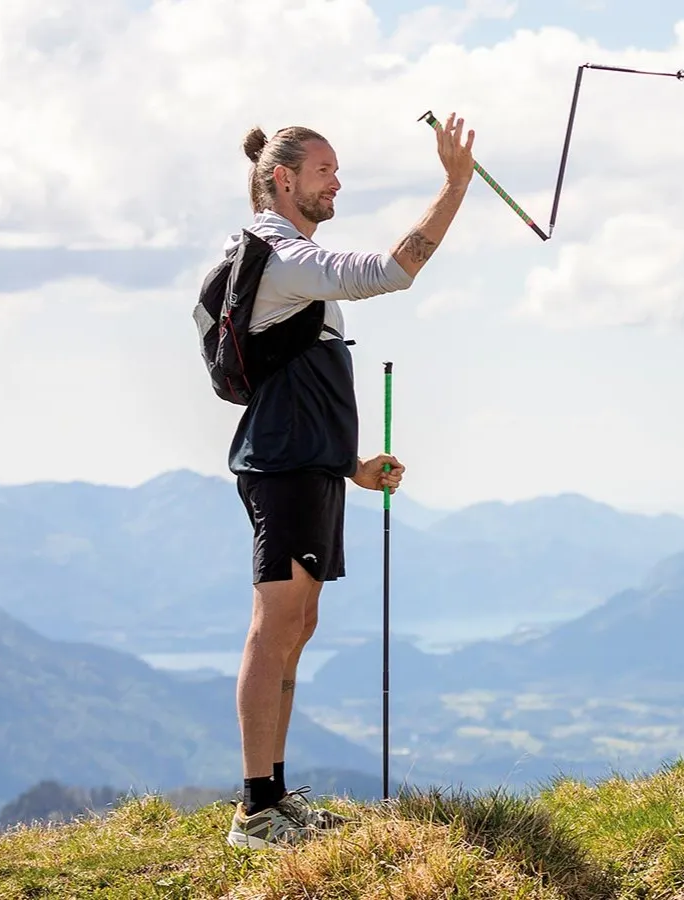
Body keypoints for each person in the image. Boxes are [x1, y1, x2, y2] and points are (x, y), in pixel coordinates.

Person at [221, 112, 476, 849]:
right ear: (284, 180)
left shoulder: (293, 259)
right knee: (274, 629)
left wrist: (351, 466)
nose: (339, 182)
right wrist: (454, 186)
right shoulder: (283, 254)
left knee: (297, 626)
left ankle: (273, 795)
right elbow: (394, 270)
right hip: (284, 466)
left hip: (308, 463)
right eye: (325, 170)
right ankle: (254, 812)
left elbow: (303, 382)